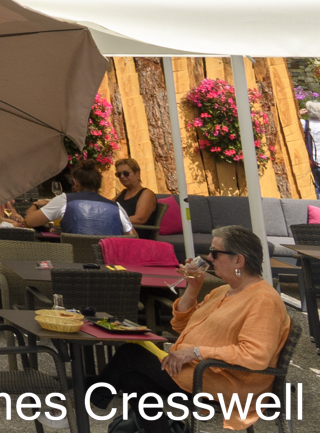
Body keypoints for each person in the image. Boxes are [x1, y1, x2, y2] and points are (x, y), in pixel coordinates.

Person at [87, 226, 290, 432]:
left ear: (239, 260)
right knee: (132, 380)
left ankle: (85, 409)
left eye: (215, 253)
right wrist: (192, 288)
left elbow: (255, 355)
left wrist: (195, 352)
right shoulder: (224, 290)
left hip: (229, 381)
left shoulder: (263, 300)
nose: (209, 258)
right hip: (201, 371)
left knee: (130, 354)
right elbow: (181, 326)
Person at [25, 162, 132, 235]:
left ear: (75, 182)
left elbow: (30, 221)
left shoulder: (66, 200)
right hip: (109, 264)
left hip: (73, 262)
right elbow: (132, 236)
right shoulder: (116, 207)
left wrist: (35, 205)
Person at [113, 157, 161, 228]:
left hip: (137, 234)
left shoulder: (146, 194)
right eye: (119, 174)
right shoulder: (123, 193)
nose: (122, 177)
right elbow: (108, 207)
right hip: (121, 231)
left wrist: (113, 220)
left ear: (137, 173)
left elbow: (139, 219)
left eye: (126, 173)